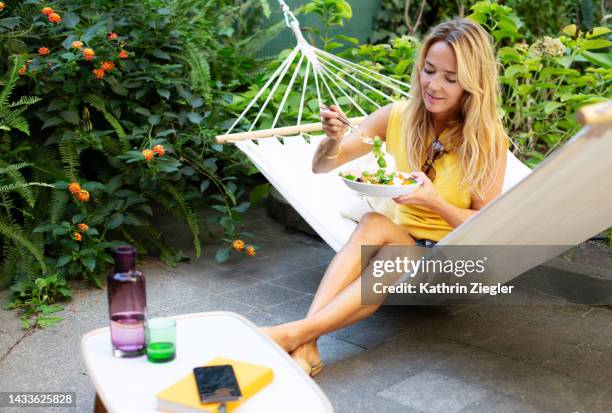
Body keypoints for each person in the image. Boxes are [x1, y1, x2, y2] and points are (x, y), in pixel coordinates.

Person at [261, 18, 508, 377]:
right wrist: (331, 138)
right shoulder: (398, 117)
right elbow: (321, 167)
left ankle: (294, 334)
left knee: (391, 251)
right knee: (374, 222)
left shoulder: (486, 140)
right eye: (428, 70)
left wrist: (432, 201)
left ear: (472, 83)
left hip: (451, 257)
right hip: (403, 241)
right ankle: (305, 343)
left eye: (450, 78)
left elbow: (489, 229)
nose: (433, 85)